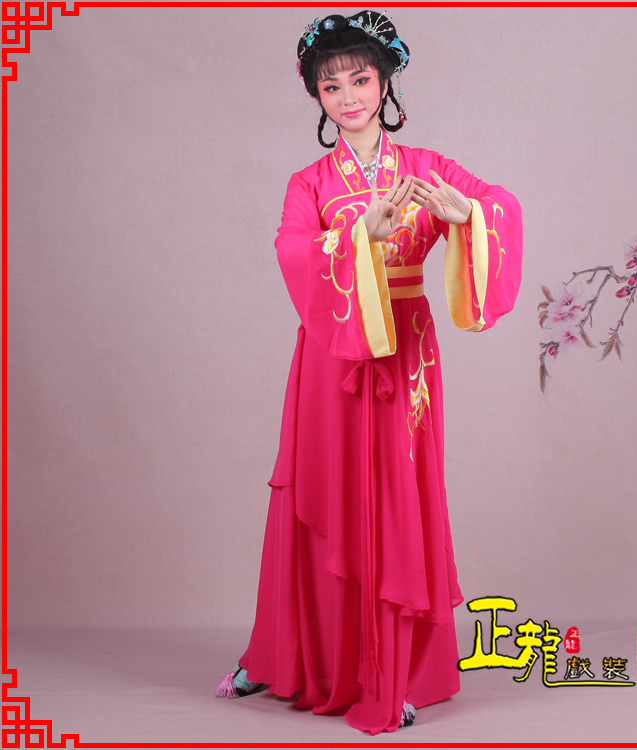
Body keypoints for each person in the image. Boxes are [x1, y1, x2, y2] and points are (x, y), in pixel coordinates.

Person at [215, 10, 523, 735]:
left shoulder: (427, 165)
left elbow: (500, 207)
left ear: (385, 82)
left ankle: (398, 672)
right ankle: (288, 656)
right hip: (332, 355)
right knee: (321, 488)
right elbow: (292, 251)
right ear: (316, 97)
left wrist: (467, 214)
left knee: (397, 490)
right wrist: (358, 235)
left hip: (406, 350)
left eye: (360, 79)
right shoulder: (308, 182)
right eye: (332, 87)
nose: (349, 97)